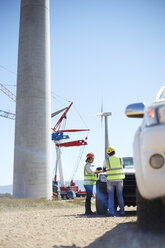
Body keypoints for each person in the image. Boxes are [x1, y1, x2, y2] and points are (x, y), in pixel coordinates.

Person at [103, 147, 125, 216]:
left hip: (110, 181)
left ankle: (111, 212)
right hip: (119, 180)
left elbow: (104, 169)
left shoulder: (106, 160)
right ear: (114, 152)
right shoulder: (120, 159)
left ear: (108, 153)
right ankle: (122, 211)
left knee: (111, 197)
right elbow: (122, 167)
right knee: (120, 196)